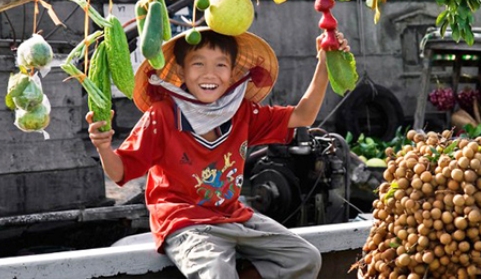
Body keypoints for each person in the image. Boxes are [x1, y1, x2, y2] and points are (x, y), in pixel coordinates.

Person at [87, 26, 350, 278]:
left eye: (220, 65)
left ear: (233, 72)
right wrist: (103, 146)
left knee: (305, 258)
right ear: (181, 70)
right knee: (217, 273)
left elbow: (303, 116)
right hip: (185, 223)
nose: (209, 74)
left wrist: (324, 64)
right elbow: (120, 171)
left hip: (234, 215)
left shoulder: (241, 111)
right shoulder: (163, 115)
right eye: (198, 63)